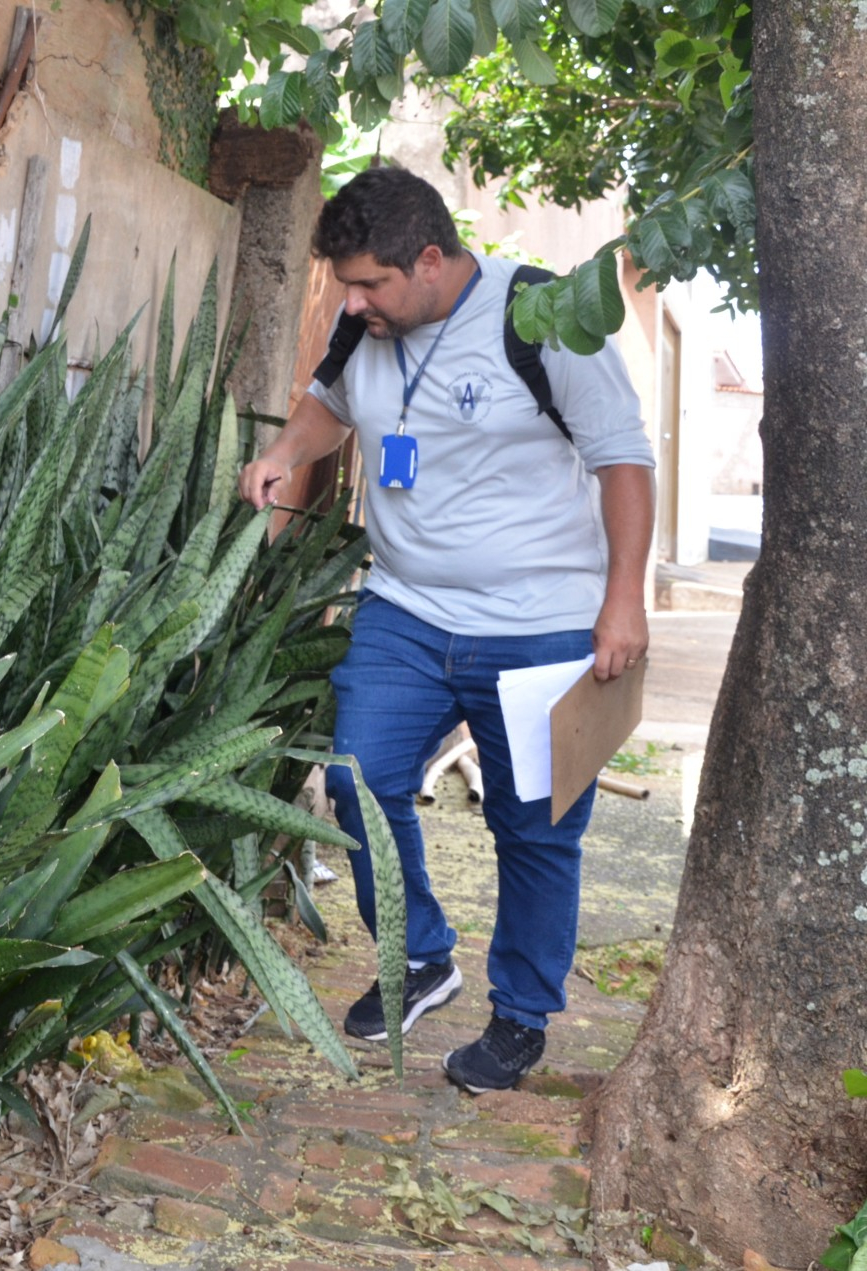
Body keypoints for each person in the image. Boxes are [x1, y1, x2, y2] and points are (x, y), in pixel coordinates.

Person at [238, 167, 654, 1093]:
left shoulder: (538, 314)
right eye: (347, 285)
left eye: (371, 284)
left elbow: (623, 457)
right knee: (358, 778)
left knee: (535, 827)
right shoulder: (364, 323)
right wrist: (280, 452)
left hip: (543, 624)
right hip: (408, 611)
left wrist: (622, 597)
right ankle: (421, 956)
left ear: (430, 259)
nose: (353, 303)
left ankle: (520, 1016)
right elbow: (328, 405)